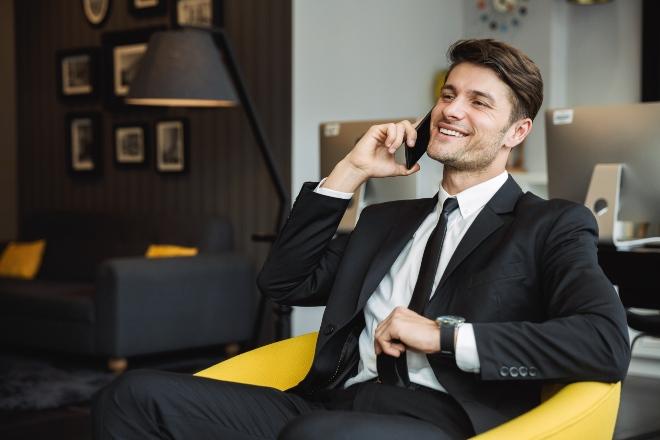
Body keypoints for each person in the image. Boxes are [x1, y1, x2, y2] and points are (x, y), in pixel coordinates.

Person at [93, 39, 630, 440]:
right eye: (448, 94)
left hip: (443, 418)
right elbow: (283, 282)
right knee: (130, 396)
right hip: (330, 401)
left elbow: (603, 344)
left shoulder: (551, 224)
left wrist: (442, 336)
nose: (452, 110)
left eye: (479, 102)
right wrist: (349, 171)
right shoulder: (386, 221)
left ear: (517, 132)